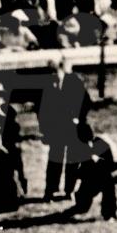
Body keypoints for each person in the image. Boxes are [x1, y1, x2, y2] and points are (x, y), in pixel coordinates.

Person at [38, 57, 91, 200]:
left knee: (73, 160)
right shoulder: (47, 86)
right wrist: (44, 130)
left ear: (61, 70)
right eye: (50, 74)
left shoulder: (75, 82)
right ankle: (50, 190)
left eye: (55, 73)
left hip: (73, 129)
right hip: (56, 129)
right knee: (55, 159)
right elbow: (42, 110)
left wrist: (78, 119)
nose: (53, 77)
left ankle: (69, 190)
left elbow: (86, 103)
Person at [69, 128, 117, 221]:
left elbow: (110, 165)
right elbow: (73, 172)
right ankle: (81, 199)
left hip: (102, 176)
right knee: (82, 207)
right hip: (89, 180)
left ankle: (109, 214)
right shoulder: (77, 149)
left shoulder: (101, 144)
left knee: (109, 184)